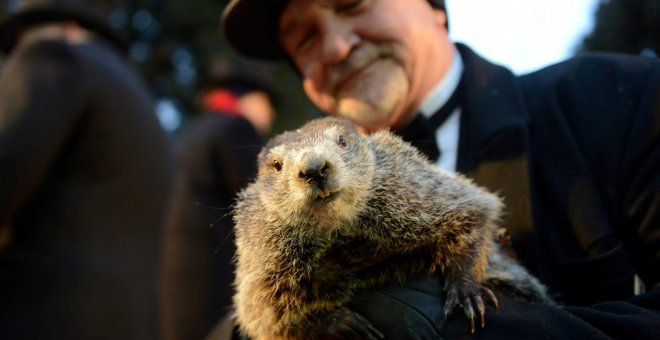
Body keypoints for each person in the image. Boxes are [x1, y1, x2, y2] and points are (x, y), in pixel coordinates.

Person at [219, 0, 660, 338]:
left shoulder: (616, 98)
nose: (335, 47)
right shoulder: (279, 199)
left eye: (352, 2)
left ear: (434, 7)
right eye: (305, 40)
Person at [0, 0, 173, 339]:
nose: (18, 56)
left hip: (39, 318)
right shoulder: (138, 99)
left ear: (70, 29)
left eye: (23, 43)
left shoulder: (57, 56)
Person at [161, 65, 278, 340]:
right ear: (248, 99)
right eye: (267, 104)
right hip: (216, 290)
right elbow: (269, 202)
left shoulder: (192, 132)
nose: (270, 115)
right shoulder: (235, 128)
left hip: (175, 293)